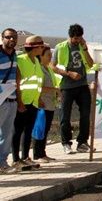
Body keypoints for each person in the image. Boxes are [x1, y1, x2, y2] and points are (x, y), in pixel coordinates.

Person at [50, 24, 95, 154]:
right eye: (75, 38)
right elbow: (53, 66)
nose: (77, 40)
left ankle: (82, 142)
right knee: (65, 115)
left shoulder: (82, 46)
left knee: (86, 115)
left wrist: (85, 48)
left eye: (80, 38)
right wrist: (69, 73)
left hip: (82, 85)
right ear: (70, 37)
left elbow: (91, 64)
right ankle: (66, 143)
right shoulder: (61, 47)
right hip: (67, 86)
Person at [15, 35, 45, 170]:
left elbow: (37, 82)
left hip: (33, 101)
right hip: (22, 101)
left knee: (28, 131)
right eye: (41, 46)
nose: (43, 49)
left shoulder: (37, 61)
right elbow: (17, 82)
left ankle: (25, 156)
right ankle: (16, 159)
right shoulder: (20, 60)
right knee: (18, 130)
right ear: (35, 48)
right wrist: (20, 101)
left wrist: (38, 98)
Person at [33, 45, 59, 163]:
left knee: (46, 129)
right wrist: (54, 90)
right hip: (42, 103)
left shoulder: (48, 68)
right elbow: (40, 87)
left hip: (50, 103)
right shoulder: (39, 69)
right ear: (41, 56)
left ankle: (42, 152)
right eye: (48, 55)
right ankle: (37, 154)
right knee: (40, 128)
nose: (50, 57)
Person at [0, 28, 19, 174]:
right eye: (8, 37)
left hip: (11, 99)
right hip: (1, 99)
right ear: (2, 38)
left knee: (7, 133)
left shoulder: (15, 55)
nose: (11, 40)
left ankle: (2, 162)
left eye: (14, 37)